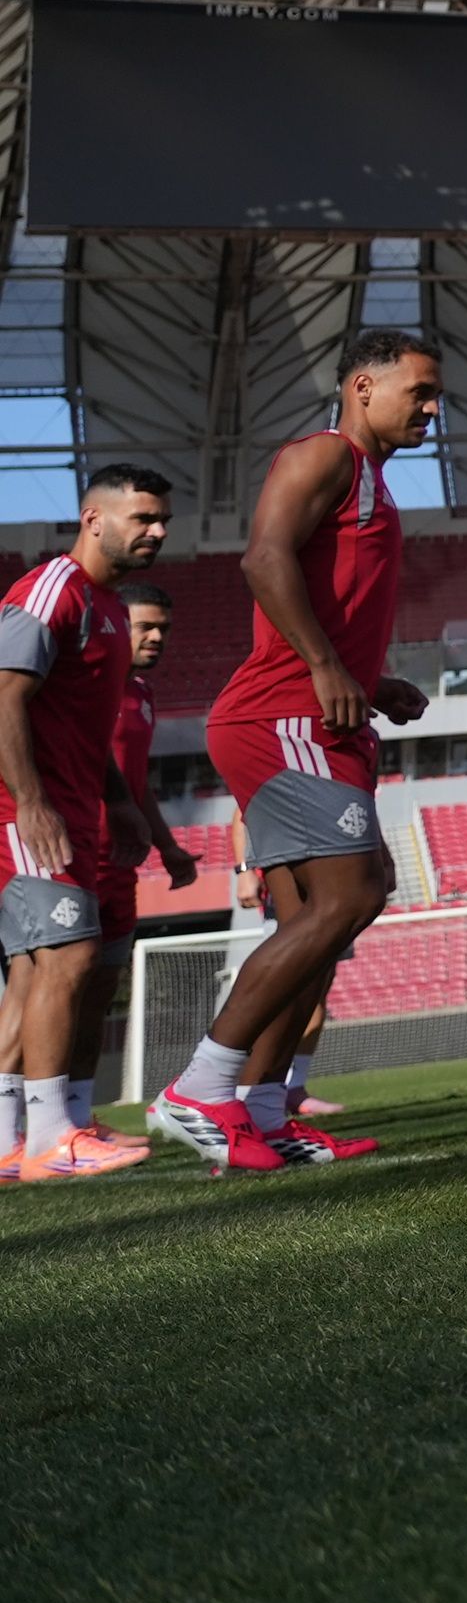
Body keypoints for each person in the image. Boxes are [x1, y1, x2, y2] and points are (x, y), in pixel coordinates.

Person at [159, 327, 440, 1172]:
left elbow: (325, 591)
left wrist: (368, 676)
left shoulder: (374, 485)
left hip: (323, 715)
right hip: (283, 717)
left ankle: (267, 1112)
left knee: (316, 917)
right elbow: (262, 559)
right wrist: (324, 666)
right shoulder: (322, 456)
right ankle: (199, 1091)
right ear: (362, 387)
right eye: (418, 392)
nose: (431, 409)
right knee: (352, 895)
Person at [0, 465, 168, 1181]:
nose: (157, 532)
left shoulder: (103, 605)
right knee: (67, 960)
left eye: (162, 521)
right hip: (24, 813)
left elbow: (84, 729)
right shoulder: (53, 591)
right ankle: (51, 1138)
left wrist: (120, 801)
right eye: (142, 519)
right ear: (94, 518)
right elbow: (3, 698)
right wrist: (32, 802)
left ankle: (16, 1140)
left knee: (36, 973)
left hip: (68, 812)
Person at [55, 579, 199, 1151]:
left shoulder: (141, 693)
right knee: (50, 991)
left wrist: (167, 846)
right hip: (70, 858)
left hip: (121, 867)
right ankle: (22, 1125)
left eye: (163, 627)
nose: (156, 637)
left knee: (98, 995)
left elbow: (134, 788)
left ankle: (78, 1114)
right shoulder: (76, 689)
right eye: (145, 626)